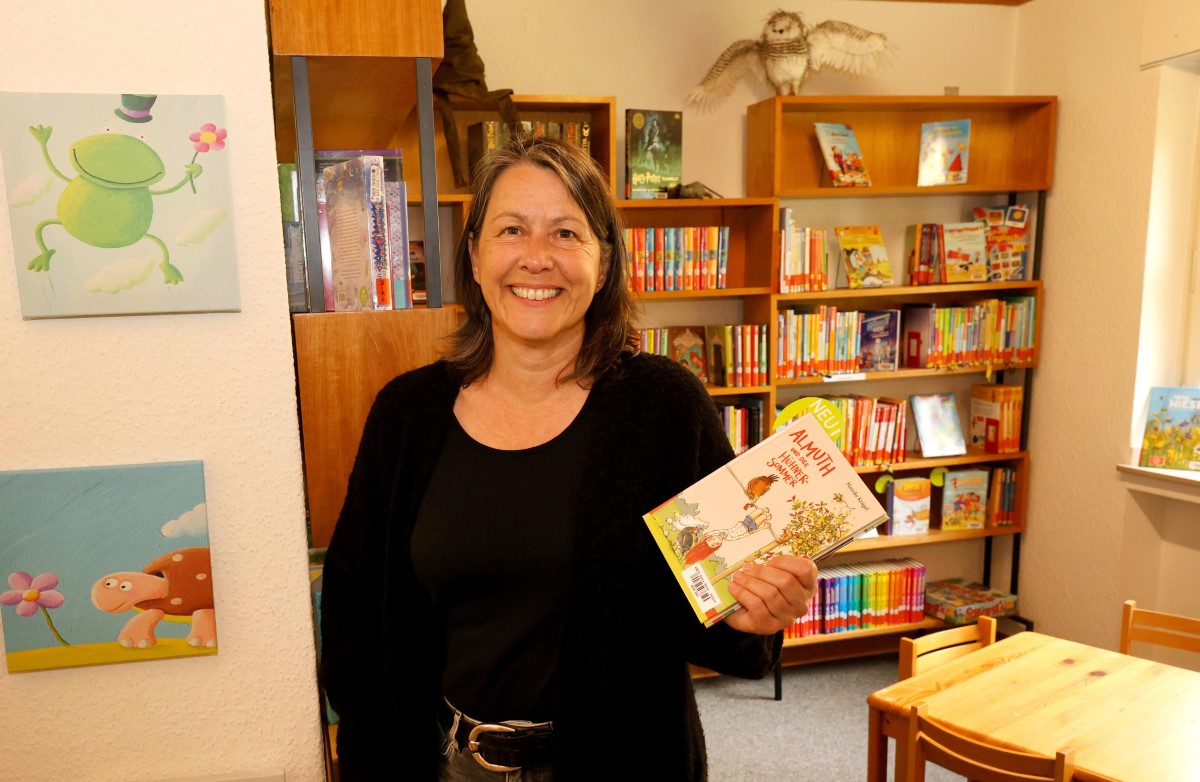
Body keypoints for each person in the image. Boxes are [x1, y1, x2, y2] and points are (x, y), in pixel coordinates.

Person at [319, 134, 818, 781]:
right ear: (474, 256)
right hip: (440, 765)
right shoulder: (406, 415)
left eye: (565, 234)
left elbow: (715, 619)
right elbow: (354, 609)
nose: (536, 258)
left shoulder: (664, 407)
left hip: (624, 764)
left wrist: (754, 615)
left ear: (603, 263)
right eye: (511, 230)